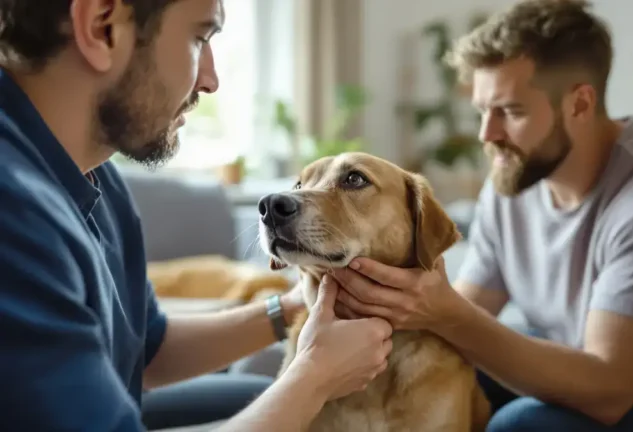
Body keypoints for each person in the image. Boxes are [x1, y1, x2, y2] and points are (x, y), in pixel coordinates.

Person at [331, 1, 633, 432]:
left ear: (579, 105)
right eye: (483, 110)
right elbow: (457, 316)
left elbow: (609, 391)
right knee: (433, 380)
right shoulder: (514, 179)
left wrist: (445, 313)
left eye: (511, 112)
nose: (488, 135)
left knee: (521, 426)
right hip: (569, 379)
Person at [0, 0, 393, 431]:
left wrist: (295, 305)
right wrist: (314, 376)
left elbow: (148, 348)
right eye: (199, 38)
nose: (211, 80)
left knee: (246, 394)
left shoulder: (97, 177)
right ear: (102, 25)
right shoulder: (15, 213)